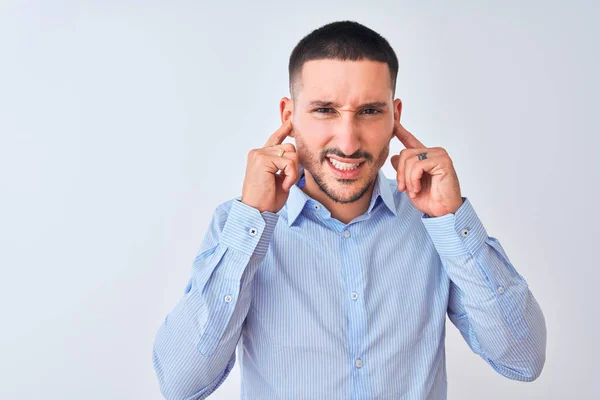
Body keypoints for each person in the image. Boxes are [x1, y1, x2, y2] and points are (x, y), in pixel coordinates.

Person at [152, 20, 546, 399]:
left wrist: (451, 219)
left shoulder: (434, 224)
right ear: (289, 117)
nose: (348, 140)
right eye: (325, 110)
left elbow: (523, 359)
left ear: (396, 116)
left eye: (370, 111)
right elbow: (180, 383)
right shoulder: (238, 225)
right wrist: (251, 222)